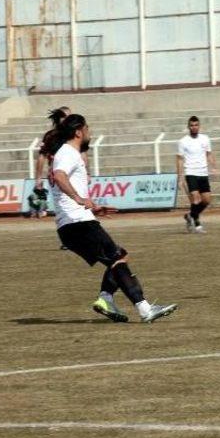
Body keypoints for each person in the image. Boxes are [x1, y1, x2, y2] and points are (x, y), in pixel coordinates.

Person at [49, 114, 177, 323]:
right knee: (117, 258)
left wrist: (93, 208)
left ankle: (106, 298)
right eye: (87, 129)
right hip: (77, 223)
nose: (89, 133)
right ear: (79, 132)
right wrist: (79, 199)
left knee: (119, 256)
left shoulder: (69, 153)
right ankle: (145, 309)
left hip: (76, 222)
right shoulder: (68, 153)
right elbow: (60, 176)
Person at [177, 116, 216, 234]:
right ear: (188, 127)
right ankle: (197, 224)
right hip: (191, 172)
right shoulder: (183, 141)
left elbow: (209, 154)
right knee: (196, 198)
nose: (194, 127)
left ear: (199, 126)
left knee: (207, 200)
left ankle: (190, 215)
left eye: (196, 125)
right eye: (192, 125)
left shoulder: (205, 139)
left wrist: (214, 166)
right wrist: (180, 176)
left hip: (203, 173)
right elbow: (179, 159)